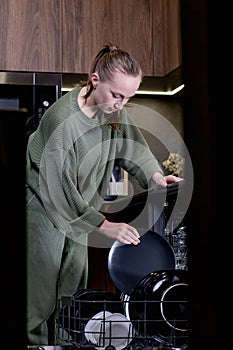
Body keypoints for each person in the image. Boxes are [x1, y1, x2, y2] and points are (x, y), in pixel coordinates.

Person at [26, 41, 182, 345]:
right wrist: (105, 226)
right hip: (44, 207)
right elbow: (60, 191)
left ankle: (67, 344)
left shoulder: (112, 110)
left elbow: (132, 146)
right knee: (40, 295)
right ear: (95, 80)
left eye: (128, 97)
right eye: (117, 95)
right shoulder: (62, 121)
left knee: (72, 292)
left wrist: (155, 177)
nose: (122, 104)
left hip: (80, 211)